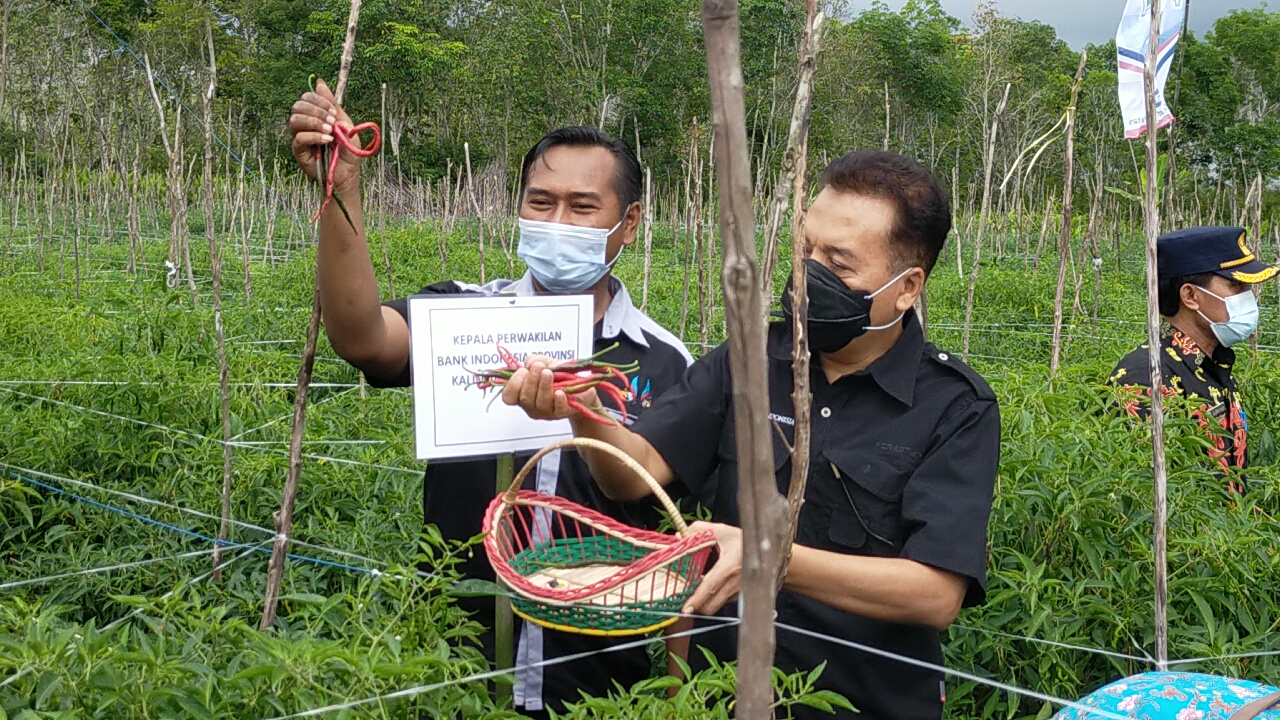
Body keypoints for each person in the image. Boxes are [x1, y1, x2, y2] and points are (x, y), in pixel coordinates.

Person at [502, 150, 1001, 720]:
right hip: (720, 698)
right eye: (804, 249)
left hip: (863, 703)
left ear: (907, 286)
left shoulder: (954, 406)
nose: (808, 273)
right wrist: (586, 410)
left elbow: (935, 594)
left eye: (838, 264)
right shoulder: (748, 362)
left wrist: (770, 559)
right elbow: (631, 477)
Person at [287, 81, 694, 717]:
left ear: (628, 223)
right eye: (541, 202)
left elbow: (670, 525)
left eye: (582, 207)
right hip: (450, 664)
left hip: (600, 684)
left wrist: (676, 697)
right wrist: (342, 195)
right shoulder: (464, 316)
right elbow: (362, 337)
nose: (557, 223)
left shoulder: (667, 362)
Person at [1109, 226, 1278, 492]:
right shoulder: (1146, 378)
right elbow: (1149, 494)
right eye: (1235, 285)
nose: (1248, 296)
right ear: (1190, 296)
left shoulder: (1215, 362)